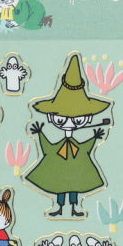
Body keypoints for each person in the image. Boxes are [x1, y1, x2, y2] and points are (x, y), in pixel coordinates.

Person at [25, 54, 110, 217]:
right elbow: (48, 148)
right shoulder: (61, 144)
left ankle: (74, 208)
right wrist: (40, 133)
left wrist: (95, 137)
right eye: (61, 119)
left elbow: (85, 148)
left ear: (88, 119)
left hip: (77, 168)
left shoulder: (77, 145)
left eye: (77, 120)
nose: (69, 124)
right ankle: (59, 207)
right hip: (59, 167)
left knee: (74, 185)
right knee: (59, 185)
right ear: (51, 117)